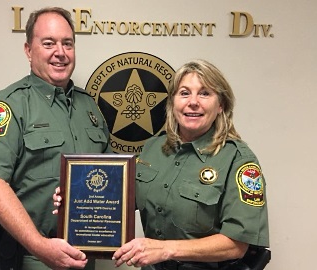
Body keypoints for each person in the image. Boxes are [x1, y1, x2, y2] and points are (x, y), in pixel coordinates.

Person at [0, 7, 111, 270]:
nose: (60, 52)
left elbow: (110, 180)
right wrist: (39, 246)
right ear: (29, 50)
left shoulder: (90, 108)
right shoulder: (8, 106)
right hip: (30, 258)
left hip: (86, 259)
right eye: (48, 43)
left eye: (67, 43)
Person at [110, 59, 270, 269]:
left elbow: (237, 243)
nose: (193, 102)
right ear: (172, 103)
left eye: (205, 93)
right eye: (184, 93)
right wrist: (75, 200)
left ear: (221, 105)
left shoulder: (239, 160)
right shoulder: (152, 149)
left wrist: (166, 249)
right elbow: (120, 202)